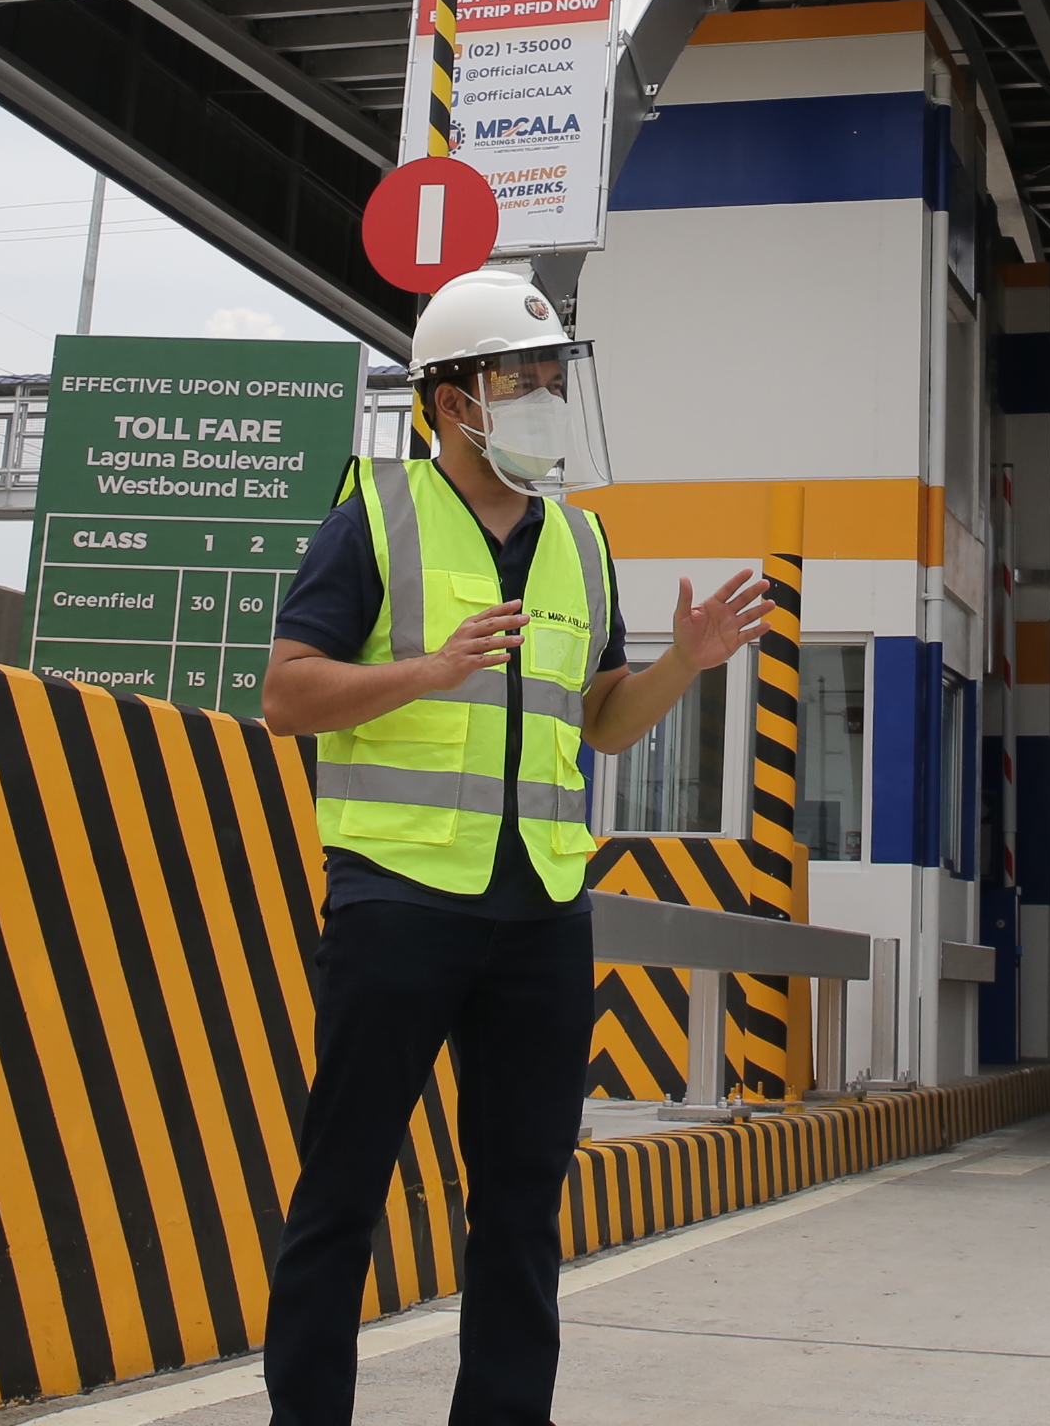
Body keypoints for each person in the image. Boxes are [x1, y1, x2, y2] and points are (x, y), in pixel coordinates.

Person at [253, 264, 766, 1426]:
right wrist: (425, 671)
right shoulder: (376, 516)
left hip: (541, 909)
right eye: (519, 374)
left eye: (552, 374)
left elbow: (599, 719)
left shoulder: (582, 544)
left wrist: (680, 664)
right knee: (344, 1189)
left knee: (526, 1200)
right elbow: (287, 693)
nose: (542, 393)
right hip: (398, 901)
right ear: (451, 398)